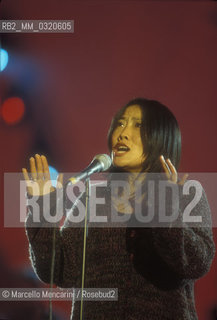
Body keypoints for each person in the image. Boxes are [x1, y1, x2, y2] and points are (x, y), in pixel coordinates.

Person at [23, 98, 215, 320]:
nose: (123, 133)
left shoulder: (186, 194)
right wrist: (41, 211)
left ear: (162, 137)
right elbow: (56, 269)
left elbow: (196, 263)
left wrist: (165, 210)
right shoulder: (93, 199)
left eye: (138, 125)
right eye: (120, 124)